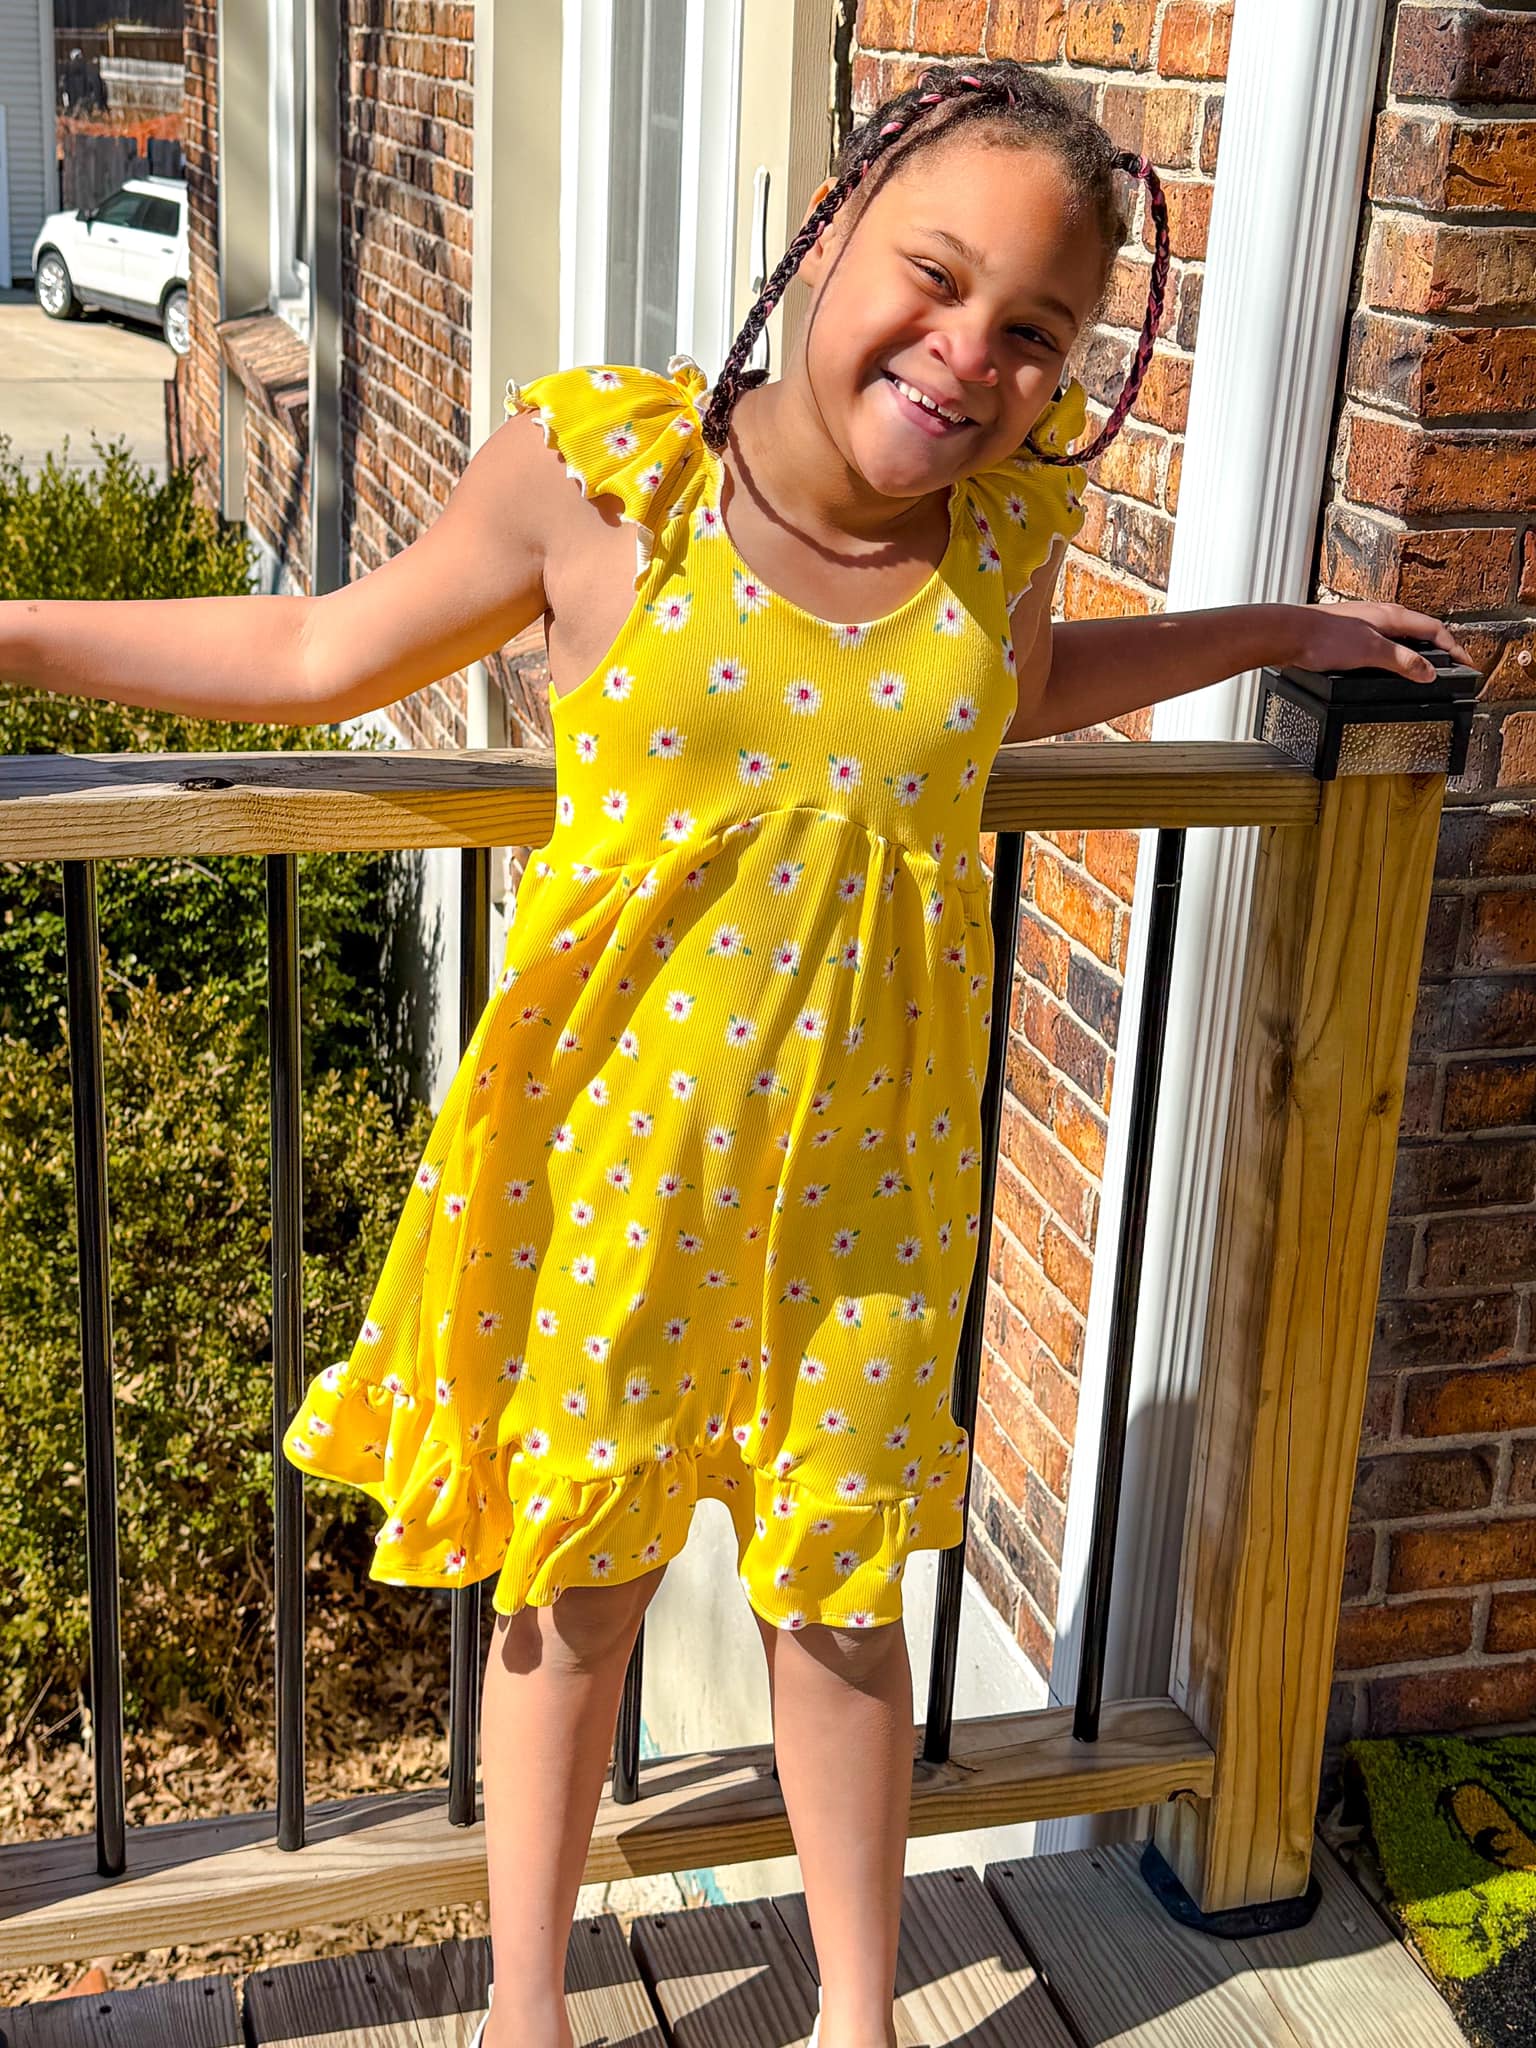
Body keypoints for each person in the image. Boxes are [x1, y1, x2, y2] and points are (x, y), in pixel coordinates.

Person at [4, 57, 1474, 2048]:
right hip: (611, 1167)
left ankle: (857, 2016)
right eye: (936, 277)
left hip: (870, 1198)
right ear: (835, 223)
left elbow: (1029, 689)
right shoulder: (611, 479)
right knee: (573, 1598)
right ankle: (529, 2007)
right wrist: (14, 629)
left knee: (843, 1609)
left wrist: (1276, 632)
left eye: (1033, 332)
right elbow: (312, 652)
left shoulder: (1000, 538)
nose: (969, 354)